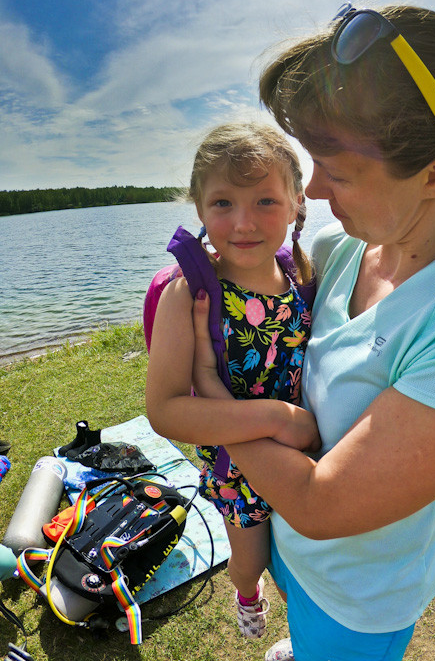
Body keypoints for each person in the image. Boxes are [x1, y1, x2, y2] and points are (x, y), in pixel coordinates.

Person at [158, 4, 435, 661]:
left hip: (358, 600)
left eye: (337, 173)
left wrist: (211, 398)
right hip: (286, 545)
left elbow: (321, 503)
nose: (311, 190)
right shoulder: (339, 247)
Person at [145, 122, 319, 641]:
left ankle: (308, 640)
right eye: (223, 203)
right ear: (199, 209)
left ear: (296, 205)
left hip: (303, 456)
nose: (244, 223)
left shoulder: (299, 274)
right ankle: (246, 595)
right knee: (253, 559)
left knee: (304, 569)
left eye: (266, 201)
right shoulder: (190, 294)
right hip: (236, 466)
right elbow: (166, 410)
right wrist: (276, 417)